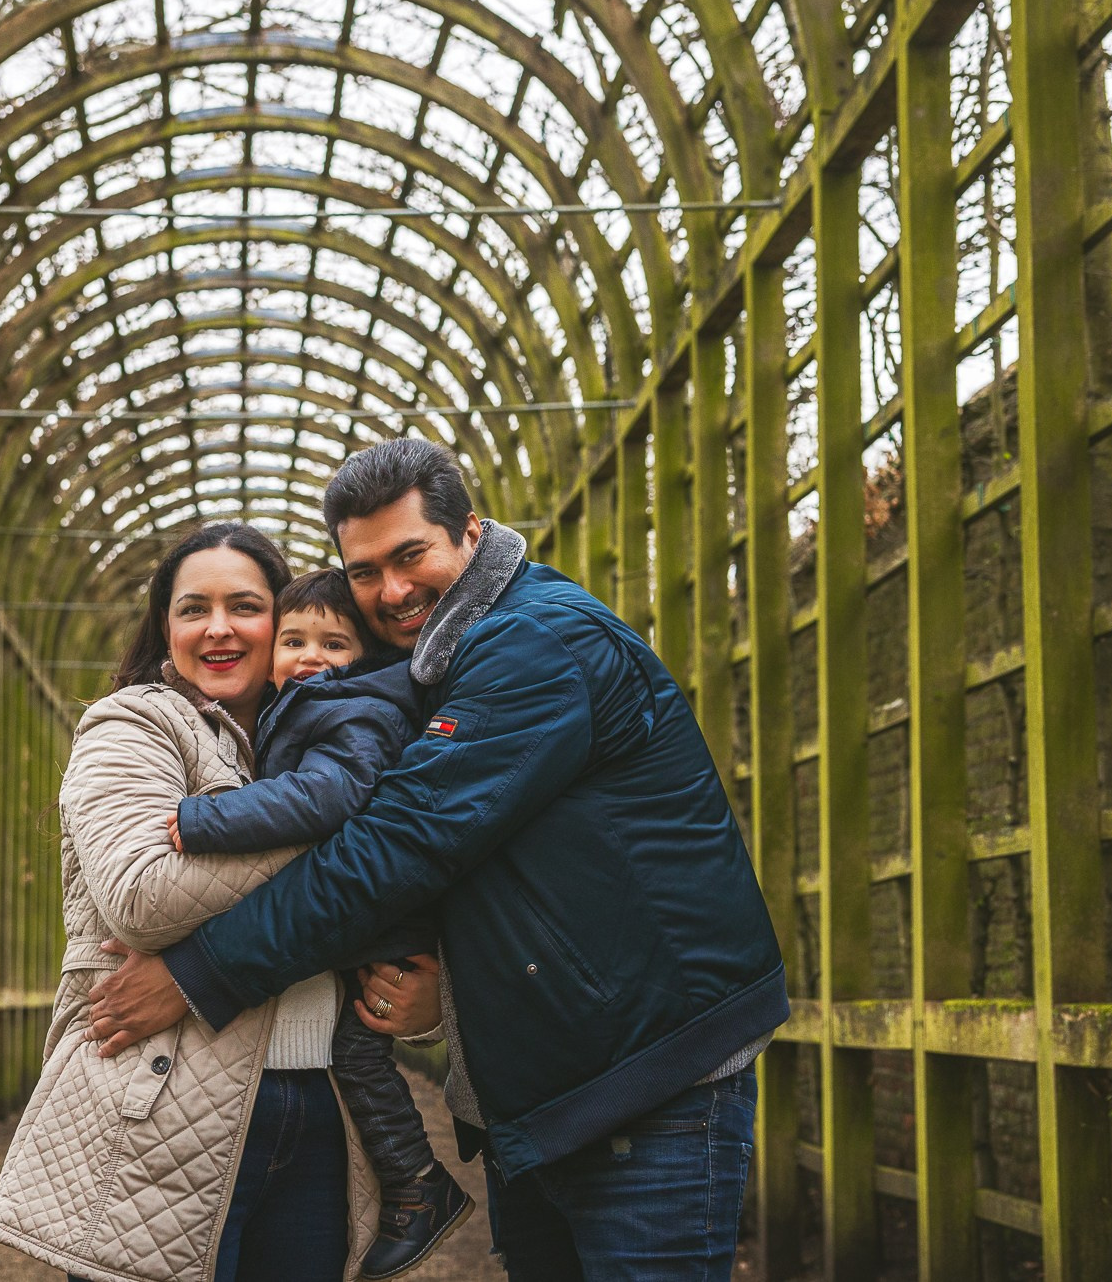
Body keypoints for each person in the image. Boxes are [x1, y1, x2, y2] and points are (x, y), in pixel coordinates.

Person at [86, 440, 788, 1281]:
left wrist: (202, 970)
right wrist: (446, 987)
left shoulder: (535, 644)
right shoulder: (437, 672)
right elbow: (489, 865)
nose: (391, 589)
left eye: (410, 554)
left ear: (470, 531)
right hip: (563, 1086)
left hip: (644, 1080)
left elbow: (402, 846)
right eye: (364, 570)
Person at [0, 523, 386, 1282]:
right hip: (158, 1105)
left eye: (246, 606)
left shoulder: (329, 743)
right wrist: (361, 828)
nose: (220, 627)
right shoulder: (133, 723)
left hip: (321, 1112)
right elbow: (142, 898)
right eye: (193, 607)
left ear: (285, 620)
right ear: (166, 628)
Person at [166, 567, 472, 1279]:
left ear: (364, 657)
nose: (309, 655)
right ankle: (414, 1182)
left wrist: (205, 819)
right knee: (356, 1051)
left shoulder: (352, 710)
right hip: (362, 918)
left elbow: (326, 795)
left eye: (333, 643)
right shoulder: (306, 706)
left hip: (380, 920)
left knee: (357, 1054)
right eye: (294, 638)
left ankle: (416, 1183)